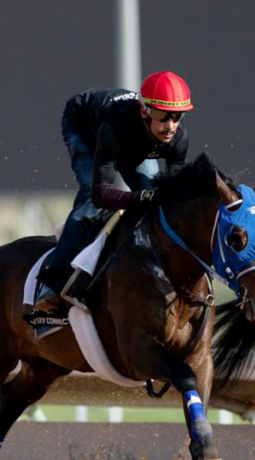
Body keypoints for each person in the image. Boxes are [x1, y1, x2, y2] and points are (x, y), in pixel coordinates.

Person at [34, 70, 193, 312]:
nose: (170, 126)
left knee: (154, 195)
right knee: (90, 199)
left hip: (133, 138)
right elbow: (100, 195)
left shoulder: (179, 138)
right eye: (162, 116)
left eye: (177, 117)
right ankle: (53, 285)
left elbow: (172, 196)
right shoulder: (114, 128)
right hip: (85, 128)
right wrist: (140, 197)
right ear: (144, 112)